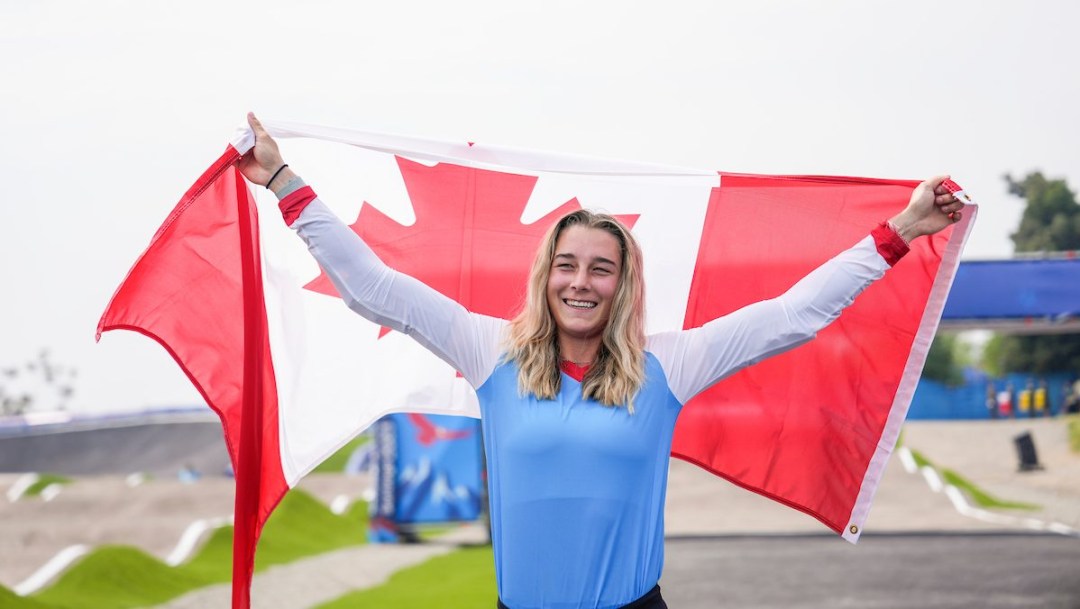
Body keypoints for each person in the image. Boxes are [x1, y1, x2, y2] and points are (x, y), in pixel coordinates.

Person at [239, 113, 964, 609]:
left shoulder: (670, 366)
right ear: (545, 275)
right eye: (568, 265)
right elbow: (374, 290)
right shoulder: (488, 351)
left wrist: (903, 228)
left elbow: (793, 315)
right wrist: (282, 181)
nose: (581, 282)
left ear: (624, 284)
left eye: (601, 268)